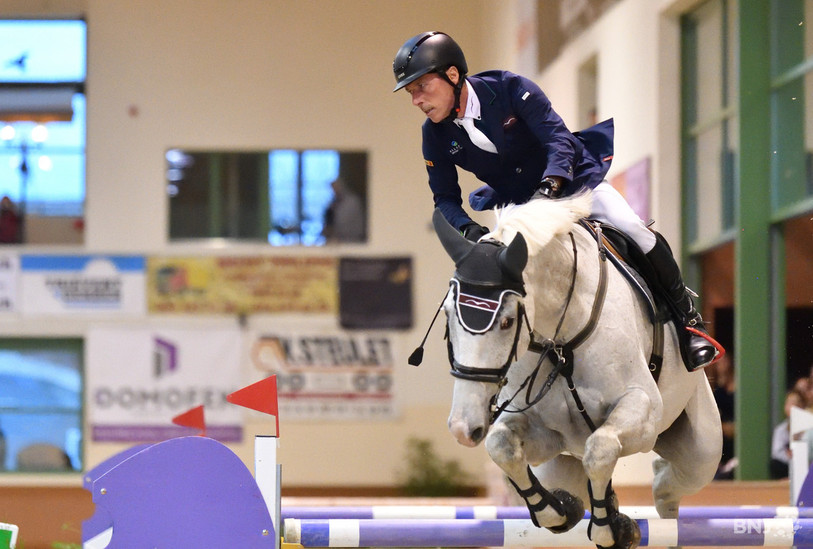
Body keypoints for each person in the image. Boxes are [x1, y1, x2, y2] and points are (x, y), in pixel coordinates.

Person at [392, 31, 716, 370]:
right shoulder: (434, 135)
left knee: (634, 229)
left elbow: (557, 139)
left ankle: (688, 323)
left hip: (570, 183)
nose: (416, 100)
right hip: (518, 204)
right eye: (411, 92)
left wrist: (550, 187)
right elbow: (444, 198)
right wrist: (469, 231)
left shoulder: (510, 88)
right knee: (498, 275)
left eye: (421, 87)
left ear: (453, 75)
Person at [771, 388, 805, 479]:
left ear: (802, 406)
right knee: (775, 464)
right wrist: (790, 457)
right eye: (789, 403)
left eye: (795, 403)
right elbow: (776, 452)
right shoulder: (780, 430)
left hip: (805, 465)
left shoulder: (809, 428)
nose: (792, 406)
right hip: (787, 465)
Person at [322, 178, 365, 243]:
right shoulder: (333, 204)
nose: (334, 191)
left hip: (352, 239)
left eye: (336, 188)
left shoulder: (352, 202)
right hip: (337, 240)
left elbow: (350, 222)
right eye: (333, 188)